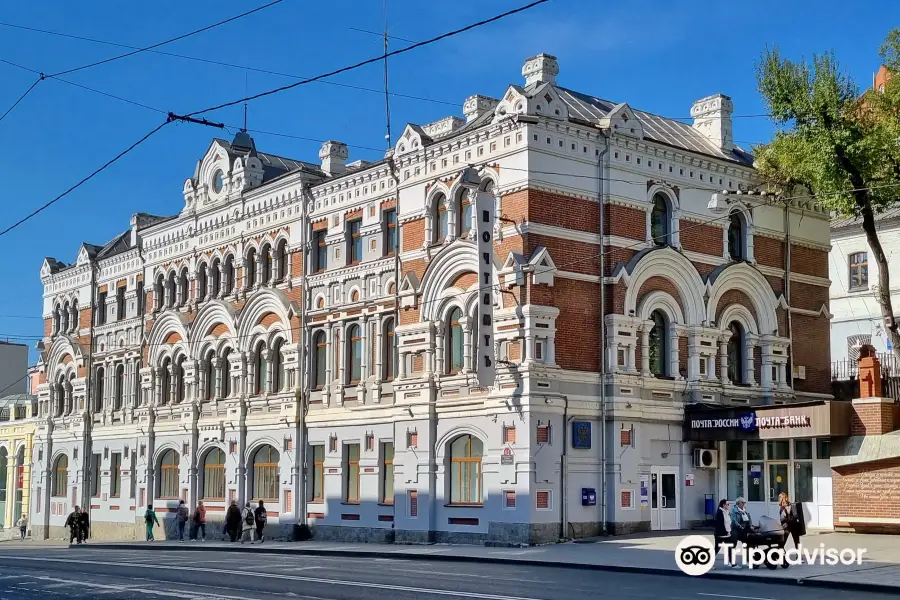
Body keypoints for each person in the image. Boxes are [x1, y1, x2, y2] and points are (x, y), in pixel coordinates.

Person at [713, 499, 736, 567]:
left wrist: (730, 530)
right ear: (723, 505)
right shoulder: (720, 513)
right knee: (717, 549)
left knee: (729, 548)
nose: (729, 505)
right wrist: (725, 532)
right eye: (727, 504)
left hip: (726, 534)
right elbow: (720, 525)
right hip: (721, 534)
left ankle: (732, 563)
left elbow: (728, 522)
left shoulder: (726, 512)